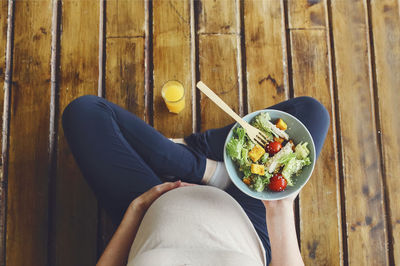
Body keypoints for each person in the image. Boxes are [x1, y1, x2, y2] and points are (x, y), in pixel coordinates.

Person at [62, 95, 329, 266]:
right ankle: (201, 164)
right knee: (311, 113)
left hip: (150, 203)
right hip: (249, 219)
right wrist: (280, 209)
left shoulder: (140, 208)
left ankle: (190, 158)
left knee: (84, 111)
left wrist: (136, 210)